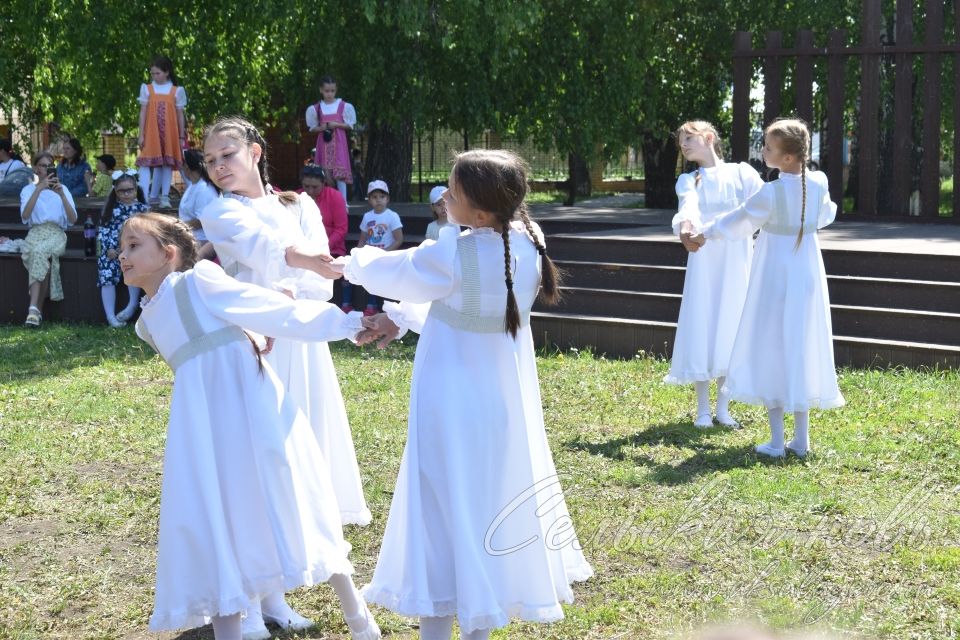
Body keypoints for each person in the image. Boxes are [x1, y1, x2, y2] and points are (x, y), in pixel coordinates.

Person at [332, 150, 593, 640]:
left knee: (439, 506)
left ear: (478, 211)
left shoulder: (452, 251)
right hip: (500, 400)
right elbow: (462, 308)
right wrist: (402, 317)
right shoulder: (529, 240)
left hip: (448, 400)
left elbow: (395, 269)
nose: (445, 197)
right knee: (488, 500)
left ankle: (439, 624)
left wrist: (345, 264)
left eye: (454, 191)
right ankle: (478, 624)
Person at [119, 213, 380, 640]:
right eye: (122, 247)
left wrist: (347, 324)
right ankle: (234, 623)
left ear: (167, 253)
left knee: (290, 496)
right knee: (219, 516)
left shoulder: (199, 279)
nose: (122, 255)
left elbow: (270, 311)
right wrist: (251, 338)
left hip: (253, 411)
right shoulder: (147, 323)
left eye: (133, 246)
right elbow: (210, 349)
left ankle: (358, 615)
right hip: (205, 429)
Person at [199, 116, 372, 638]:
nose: (218, 167)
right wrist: (295, 282)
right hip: (252, 343)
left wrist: (304, 291)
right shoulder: (218, 211)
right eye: (209, 161)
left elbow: (317, 281)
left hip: (299, 343)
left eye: (227, 154)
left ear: (255, 151)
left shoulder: (301, 205)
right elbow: (264, 253)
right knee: (254, 465)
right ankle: (252, 599)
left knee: (301, 462)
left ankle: (277, 596)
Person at [690, 118, 845, 458]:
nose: (764, 151)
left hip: (775, 278)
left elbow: (738, 221)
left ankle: (777, 442)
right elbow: (826, 215)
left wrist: (704, 233)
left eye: (769, 148)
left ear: (787, 158)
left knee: (772, 347)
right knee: (800, 348)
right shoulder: (818, 182)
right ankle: (801, 440)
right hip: (806, 276)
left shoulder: (771, 194)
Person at [664, 121, 764, 428]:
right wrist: (685, 227)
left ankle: (723, 408)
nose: (683, 144)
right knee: (703, 323)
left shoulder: (741, 173)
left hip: (735, 259)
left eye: (689, 138)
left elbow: (759, 207)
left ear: (709, 138)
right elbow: (688, 207)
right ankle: (703, 410)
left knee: (730, 325)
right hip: (705, 259)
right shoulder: (688, 179)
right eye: (681, 140)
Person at [19, 152, 77, 327]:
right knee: (39, 255)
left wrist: (62, 195)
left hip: (56, 233)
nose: (47, 169)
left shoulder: (63, 189)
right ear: (36, 169)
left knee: (39, 252)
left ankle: (32, 309)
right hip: (35, 233)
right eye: (43, 165)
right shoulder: (28, 190)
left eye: (50, 165)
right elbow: (25, 215)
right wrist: (39, 189)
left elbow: (73, 219)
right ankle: (37, 312)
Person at [341, 180, 402, 316]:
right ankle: (369, 306)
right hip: (370, 257)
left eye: (382, 196)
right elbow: (363, 238)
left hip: (386, 257)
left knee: (380, 280)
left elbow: (399, 239)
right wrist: (356, 255)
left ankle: (384, 308)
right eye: (374, 197)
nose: (378, 200)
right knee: (366, 278)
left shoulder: (392, 216)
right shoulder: (367, 217)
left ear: (387, 198)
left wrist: (385, 253)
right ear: (369, 200)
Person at [97, 171, 147, 327]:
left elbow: (147, 233)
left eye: (130, 190)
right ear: (115, 191)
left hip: (133, 250)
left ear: (136, 189)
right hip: (112, 251)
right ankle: (110, 316)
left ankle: (132, 305)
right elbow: (102, 231)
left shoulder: (143, 209)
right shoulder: (110, 209)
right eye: (121, 191)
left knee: (133, 266)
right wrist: (108, 249)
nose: (126, 194)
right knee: (106, 272)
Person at [136, 55, 186, 208]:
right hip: (152, 133)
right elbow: (143, 112)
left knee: (166, 165)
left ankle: (164, 197)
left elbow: (180, 114)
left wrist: (181, 136)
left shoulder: (176, 91)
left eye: (157, 73)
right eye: (152, 73)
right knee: (146, 163)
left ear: (167, 72)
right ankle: (144, 198)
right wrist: (141, 134)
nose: (154, 76)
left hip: (170, 133)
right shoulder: (147, 89)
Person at [305, 75, 356, 202]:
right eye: (327, 91)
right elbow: (312, 128)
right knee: (325, 174)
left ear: (336, 90)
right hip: (324, 143)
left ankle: (343, 203)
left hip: (339, 142)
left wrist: (336, 125)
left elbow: (350, 125)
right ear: (321, 90)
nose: (330, 94)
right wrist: (324, 127)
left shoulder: (343, 106)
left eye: (332, 91)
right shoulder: (317, 108)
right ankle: (324, 201)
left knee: (340, 174)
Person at [178, 148, 219, 260]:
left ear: (187, 167)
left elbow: (202, 220)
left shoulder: (204, 189)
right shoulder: (193, 186)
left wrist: (178, 226)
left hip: (202, 242)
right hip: (191, 238)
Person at [301, 163, 348, 258]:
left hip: (332, 250)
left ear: (323, 183)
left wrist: (323, 247)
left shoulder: (335, 197)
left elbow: (341, 229)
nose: (310, 191)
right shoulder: (298, 196)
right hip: (304, 252)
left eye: (315, 187)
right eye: (306, 186)